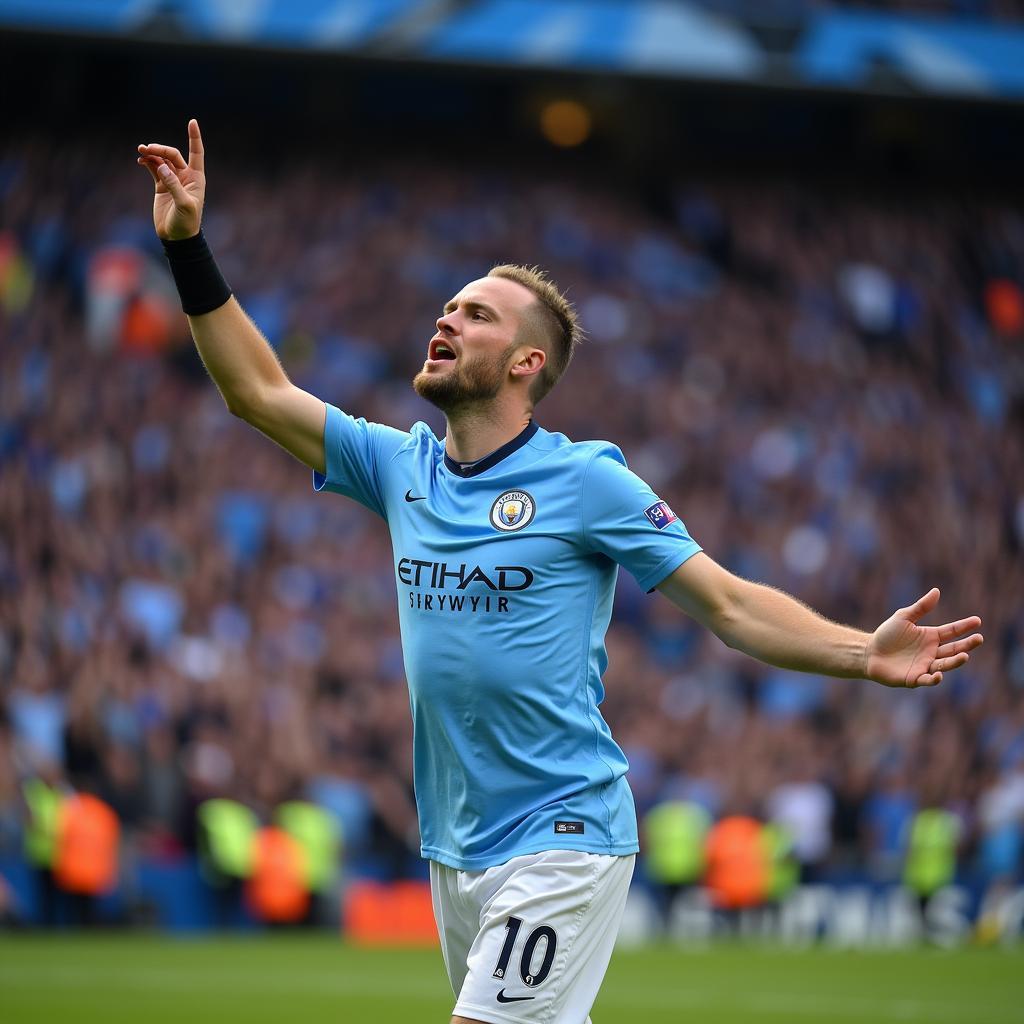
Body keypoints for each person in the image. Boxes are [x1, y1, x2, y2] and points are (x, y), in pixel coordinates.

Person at [137, 121, 984, 1024]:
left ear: (525, 363)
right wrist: (188, 246)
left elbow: (730, 604)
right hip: (455, 845)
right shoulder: (400, 467)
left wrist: (863, 652)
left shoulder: (588, 481)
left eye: (474, 314)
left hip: (565, 830)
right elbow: (256, 392)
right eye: (448, 307)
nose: (445, 319)